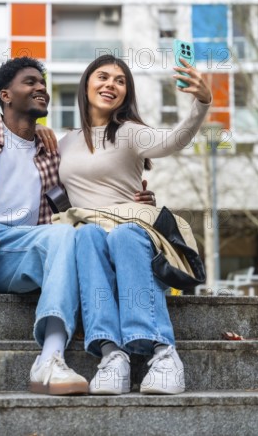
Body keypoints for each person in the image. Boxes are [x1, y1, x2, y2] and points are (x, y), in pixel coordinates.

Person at [0, 56, 155, 398]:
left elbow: (91, 190)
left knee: (65, 234)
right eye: (30, 82)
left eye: (43, 83)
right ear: (6, 95)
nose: (41, 88)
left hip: (21, 256)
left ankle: (51, 358)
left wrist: (135, 202)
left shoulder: (52, 153)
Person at [38, 53, 212, 395]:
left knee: (124, 235)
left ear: (126, 94)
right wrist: (37, 131)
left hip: (130, 234)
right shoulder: (64, 141)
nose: (110, 85)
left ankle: (164, 354)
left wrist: (202, 102)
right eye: (102, 77)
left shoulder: (131, 133)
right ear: (86, 83)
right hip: (89, 235)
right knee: (84, 235)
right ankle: (111, 354)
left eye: (120, 81)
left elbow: (172, 140)